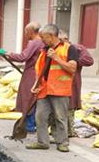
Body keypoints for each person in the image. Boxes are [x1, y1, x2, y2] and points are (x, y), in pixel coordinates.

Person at [26, 23, 78, 153]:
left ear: (51, 36)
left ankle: (62, 143)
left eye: (43, 37)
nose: (41, 40)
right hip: (44, 90)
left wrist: (56, 58)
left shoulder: (69, 49)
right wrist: (35, 85)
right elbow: (40, 70)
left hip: (60, 90)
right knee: (40, 116)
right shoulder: (44, 50)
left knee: (60, 117)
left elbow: (72, 69)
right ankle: (42, 142)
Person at [0, 22, 43, 133]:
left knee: (29, 98)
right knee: (35, 99)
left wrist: (8, 53)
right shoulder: (43, 42)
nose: (25, 34)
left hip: (32, 74)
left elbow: (23, 57)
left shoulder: (34, 43)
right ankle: (35, 124)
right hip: (39, 74)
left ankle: (30, 125)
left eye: (26, 32)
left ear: (30, 32)